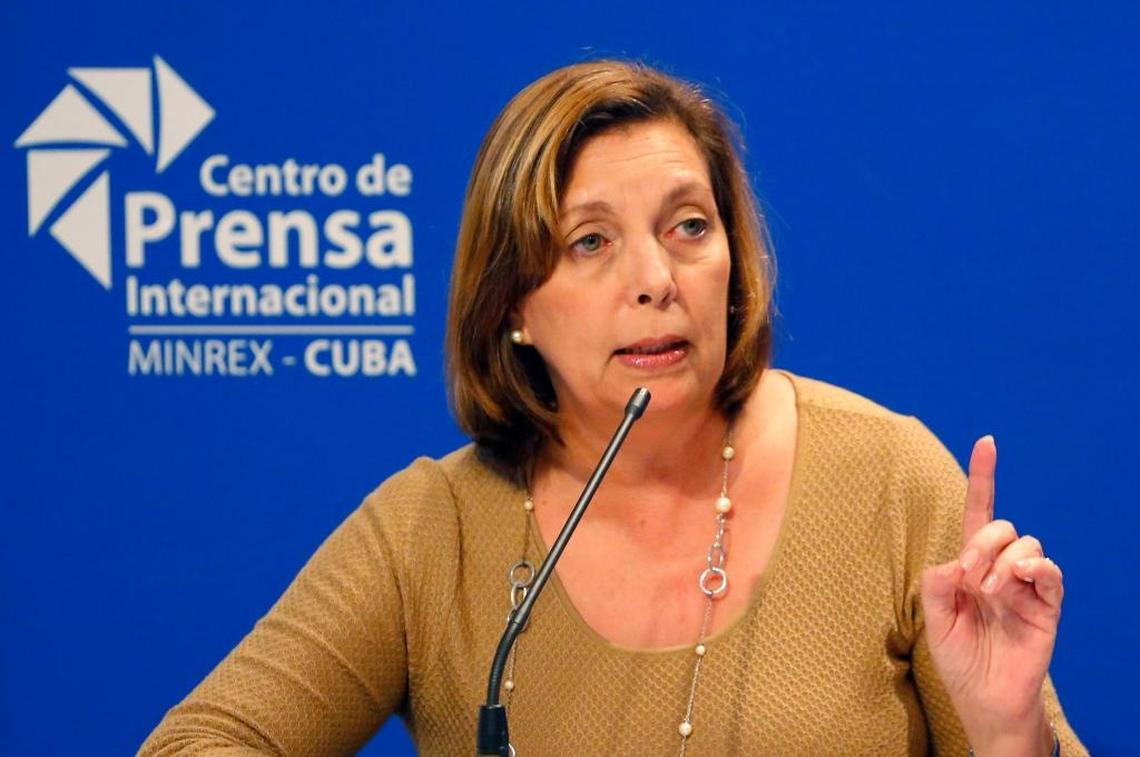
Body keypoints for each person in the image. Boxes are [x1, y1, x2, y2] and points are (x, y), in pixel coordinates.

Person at [140, 60, 1087, 755]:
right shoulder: (433, 534)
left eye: (689, 226)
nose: (655, 280)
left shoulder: (891, 479)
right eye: (590, 242)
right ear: (512, 303)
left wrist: (1012, 738)